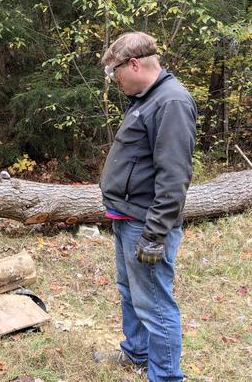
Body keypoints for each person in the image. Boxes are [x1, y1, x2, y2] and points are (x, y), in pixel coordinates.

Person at [94, 32, 197, 382]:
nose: (114, 80)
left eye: (114, 72)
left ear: (134, 64)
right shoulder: (145, 98)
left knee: (154, 304)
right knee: (131, 294)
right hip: (128, 217)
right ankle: (136, 353)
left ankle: (166, 376)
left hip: (146, 224)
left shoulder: (171, 102)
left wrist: (154, 235)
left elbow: (174, 178)